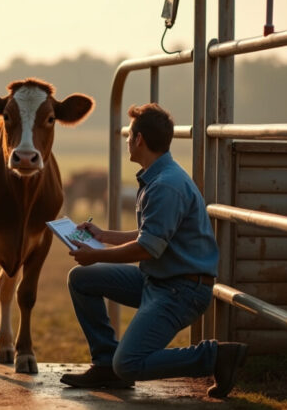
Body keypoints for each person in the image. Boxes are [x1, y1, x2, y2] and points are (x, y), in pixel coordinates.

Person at [60, 103, 248, 398]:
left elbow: (148, 248)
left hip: (181, 291)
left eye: (129, 137)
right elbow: (154, 234)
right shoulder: (158, 177)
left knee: (131, 363)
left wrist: (95, 254)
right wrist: (104, 236)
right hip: (158, 281)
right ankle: (106, 364)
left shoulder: (164, 185)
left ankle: (214, 357)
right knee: (81, 279)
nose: (127, 143)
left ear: (139, 140)